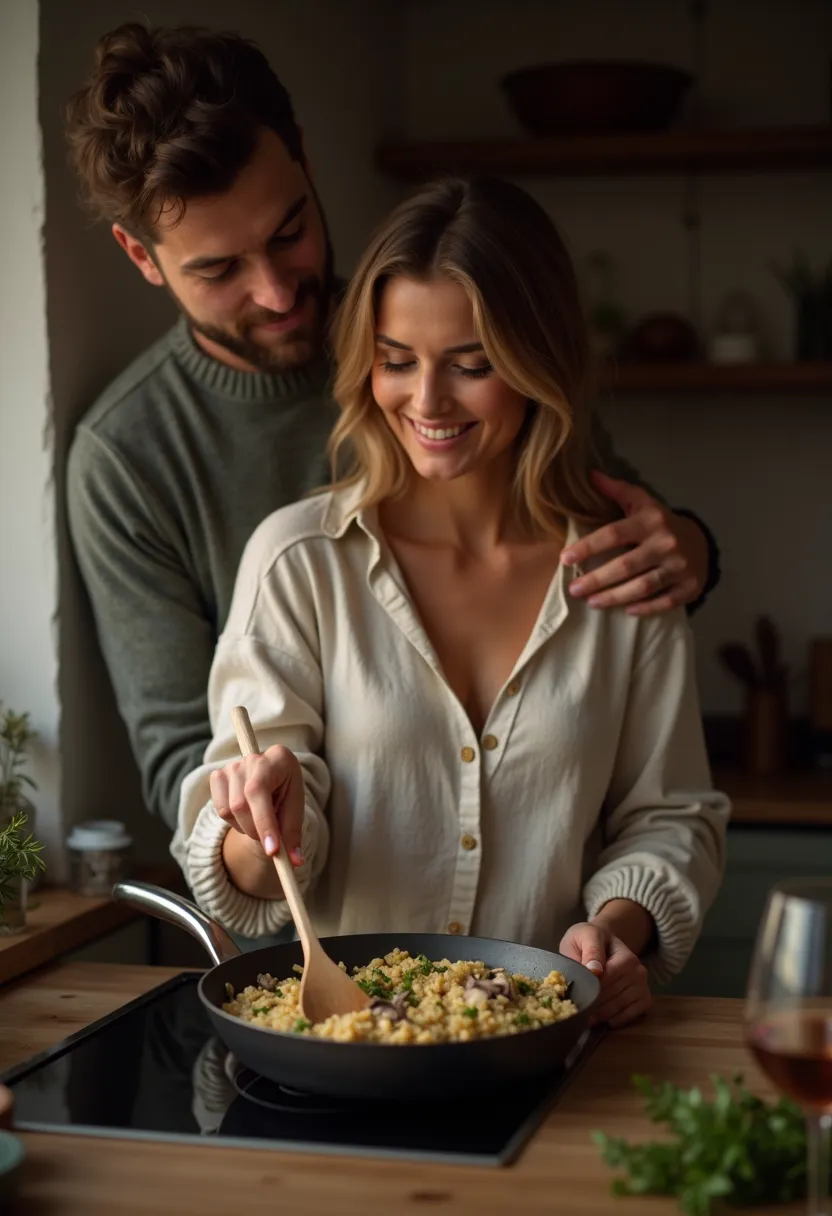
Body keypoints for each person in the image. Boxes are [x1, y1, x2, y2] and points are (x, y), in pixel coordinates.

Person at [65, 24, 720, 845]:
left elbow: (598, 513)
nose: (274, 292)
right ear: (143, 256)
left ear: (303, 155)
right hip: (296, 922)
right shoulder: (127, 457)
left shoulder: (436, 308)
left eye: (288, 232)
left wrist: (691, 548)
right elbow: (183, 766)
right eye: (220, 270)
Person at [173, 176, 730, 1028]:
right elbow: (250, 877)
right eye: (397, 360)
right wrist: (259, 818)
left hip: (549, 1048)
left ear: (539, 362)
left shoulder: (624, 570)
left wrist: (618, 930)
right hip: (343, 1045)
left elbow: (669, 816)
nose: (426, 402)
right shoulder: (297, 562)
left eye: (471, 366)